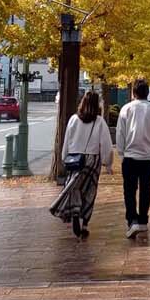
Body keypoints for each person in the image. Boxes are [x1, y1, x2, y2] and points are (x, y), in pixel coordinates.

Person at [50, 90, 113, 239]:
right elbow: (106, 145)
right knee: (90, 192)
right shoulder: (99, 121)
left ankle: (75, 212)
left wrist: (65, 156)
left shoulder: (73, 119)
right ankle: (85, 223)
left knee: (75, 189)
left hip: (75, 159)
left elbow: (67, 140)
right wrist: (107, 162)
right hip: (92, 160)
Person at [115, 78, 150, 239]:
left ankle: (132, 220)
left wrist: (121, 153)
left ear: (133, 92)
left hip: (130, 156)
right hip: (148, 155)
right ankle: (143, 219)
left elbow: (120, 133)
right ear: (147, 92)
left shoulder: (126, 109)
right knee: (146, 189)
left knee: (129, 190)